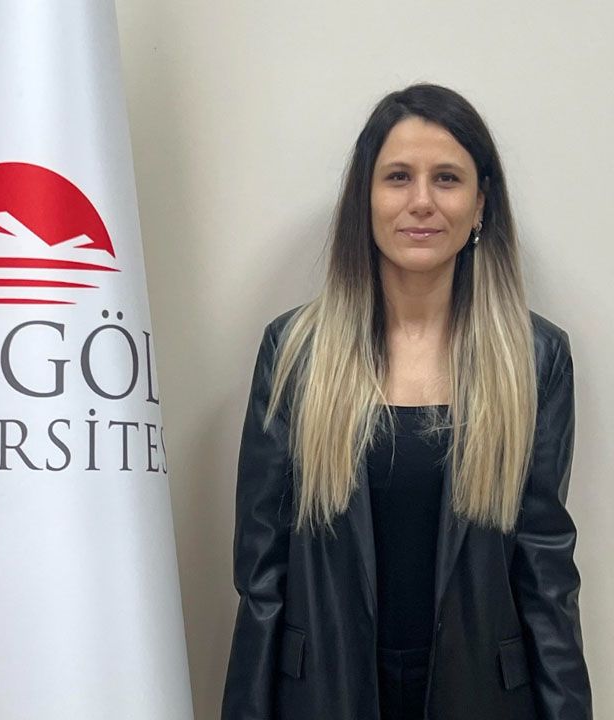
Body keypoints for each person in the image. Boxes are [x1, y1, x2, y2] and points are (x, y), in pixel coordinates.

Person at [222, 84, 590, 720]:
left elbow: (546, 575)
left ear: (481, 203)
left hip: (483, 698)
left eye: (447, 178)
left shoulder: (535, 359)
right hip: (324, 695)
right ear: (365, 198)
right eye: (398, 177)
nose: (422, 201)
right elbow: (261, 577)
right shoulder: (296, 352)